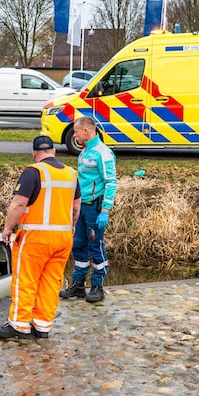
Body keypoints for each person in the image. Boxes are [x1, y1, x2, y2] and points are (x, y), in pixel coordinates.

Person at [0, 135, 80, 340]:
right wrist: (72, 226)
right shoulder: (71, 174)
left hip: (35, 237)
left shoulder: (34, 171)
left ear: (34, 153)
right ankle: (42, 325)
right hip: (64, 237)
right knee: (51, 281)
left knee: (25, 279)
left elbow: (18, 204)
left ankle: (19, 324)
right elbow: (76, 208)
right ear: (54, 152)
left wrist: (8, 227)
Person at [59, 116, 118, 303]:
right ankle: (78, 284)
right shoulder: (84, 152)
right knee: (78, 245)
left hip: (95, 208)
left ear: (86, 131)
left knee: (96, 246)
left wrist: (105, 210)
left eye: (76, 131)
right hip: (81, 207)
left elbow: (111, 182)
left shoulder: (103, 153)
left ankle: (97, 285)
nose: (74, 134)